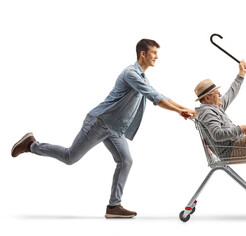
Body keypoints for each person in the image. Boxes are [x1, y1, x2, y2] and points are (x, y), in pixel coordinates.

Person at [11, 39, 196, 218]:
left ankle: (114, 206)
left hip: (115, 128)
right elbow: (154, 97)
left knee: (126, 161)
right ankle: (31, 145)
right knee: (70, 157)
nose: (157, 56)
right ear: (143, 53)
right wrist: (180, 110)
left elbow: (160, 95)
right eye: (154, 52)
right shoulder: (131, 73)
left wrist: (181, 109)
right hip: (100, 122)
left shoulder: (142, 77)